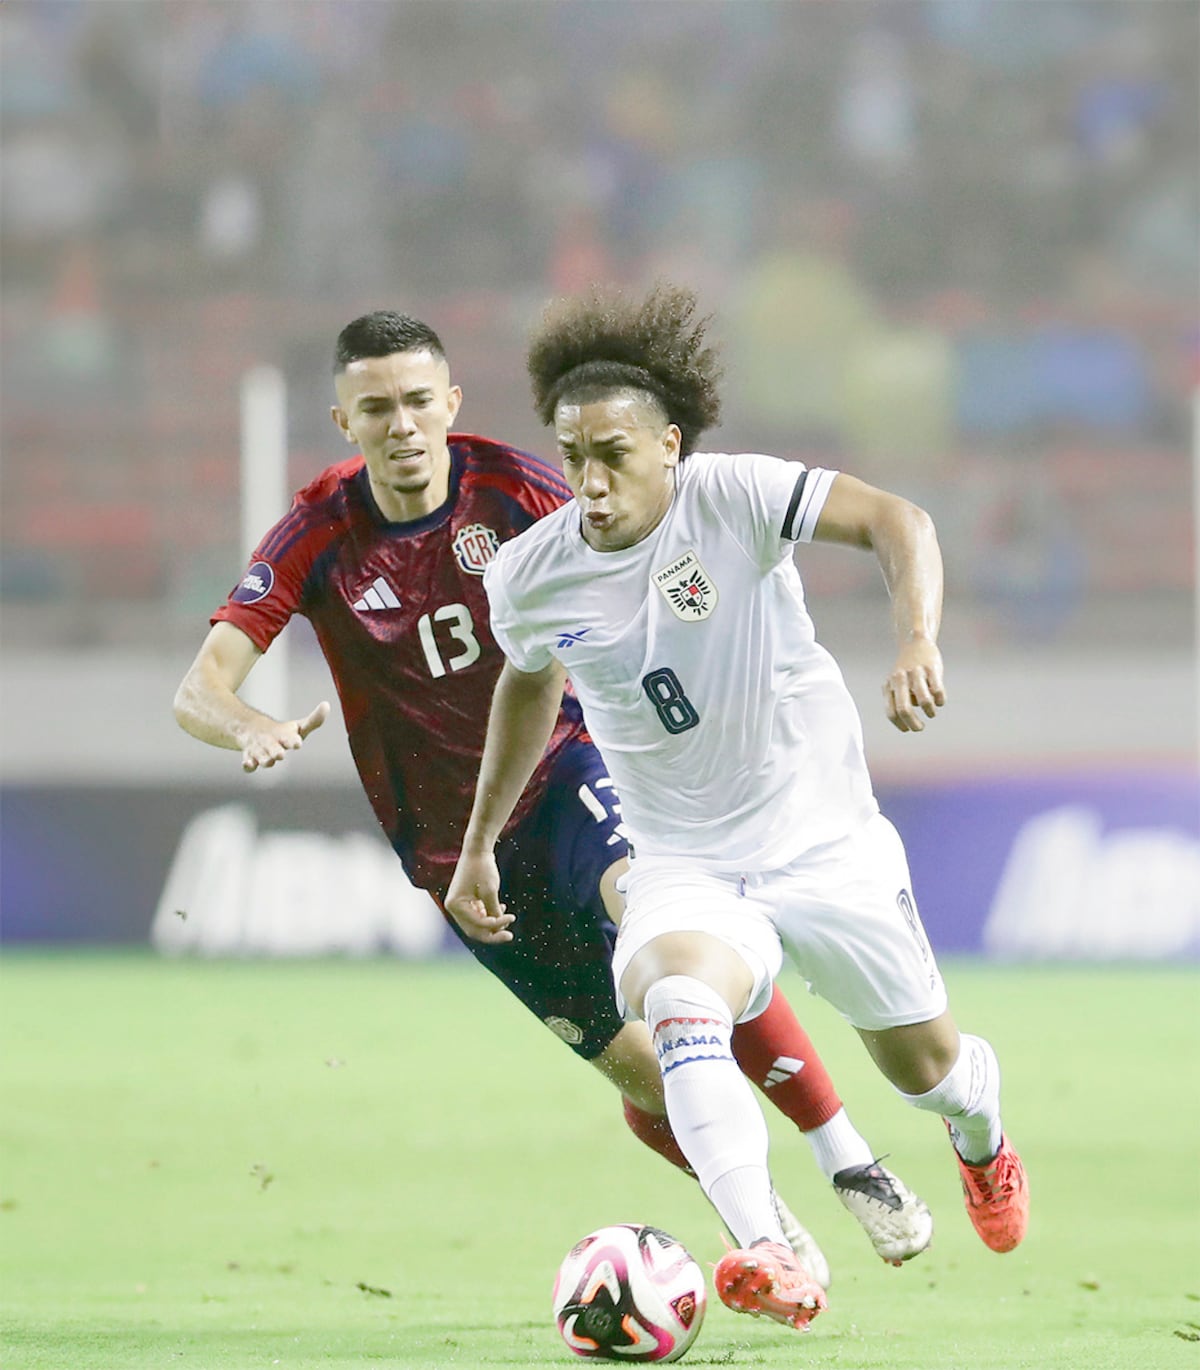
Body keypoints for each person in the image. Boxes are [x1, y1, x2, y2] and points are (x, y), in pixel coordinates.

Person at [172, 310, 935, 1290]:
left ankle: (848, 1155)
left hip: (573, 773)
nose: (401, 424)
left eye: (416, 400)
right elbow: (201, 685)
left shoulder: (519, 487)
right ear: (343, 420)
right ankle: (769, 1227)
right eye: (376, 408)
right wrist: (247, 726)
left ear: (449, 402)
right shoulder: (318, 533)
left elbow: (651, 562)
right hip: (452, 850)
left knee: (670, 947)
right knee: (640, 1069)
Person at [446, 283, 1030, 1335]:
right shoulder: (533, 574)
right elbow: (525, 683)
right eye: (572, 454)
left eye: (614, 452)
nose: (588, 478)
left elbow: (901, 520)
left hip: (823, 841)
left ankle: (982, 1135)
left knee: (928, 1070)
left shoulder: (737, 495)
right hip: (687, 859)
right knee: (678, 996)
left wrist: (917, 638)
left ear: (670, 445)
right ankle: (767, 1244)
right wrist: (480, 837)